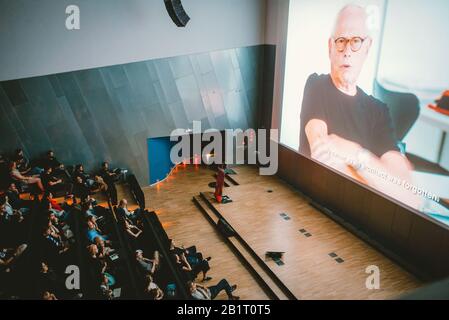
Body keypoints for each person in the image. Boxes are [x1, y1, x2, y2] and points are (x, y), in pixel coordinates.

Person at [298, 4, 421, 210]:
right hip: (314, 209)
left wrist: (356, 154)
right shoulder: (316, 85)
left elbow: (409, 196)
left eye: (355, 41)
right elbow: (324, 160)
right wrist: (377, 175)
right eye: (340, 41)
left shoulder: (379, 111)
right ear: (330, 47)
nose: (347, 51)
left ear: (366, 48)